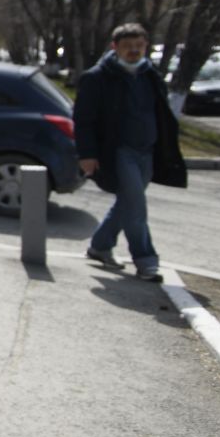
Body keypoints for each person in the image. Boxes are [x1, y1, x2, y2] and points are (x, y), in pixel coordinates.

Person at [75, 22, 187, 281]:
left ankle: (100, 246)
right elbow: (84, 120)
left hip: (147, 151)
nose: (134, 51)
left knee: (127, 202)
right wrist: (87, 154)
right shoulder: (98, 77)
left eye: (139, 46)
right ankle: (146, 261)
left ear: (146, 46)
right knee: (136, 207)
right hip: (118, 152)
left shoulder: (150, 74)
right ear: (115, 48)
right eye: (128, 46)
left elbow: (160, 113)